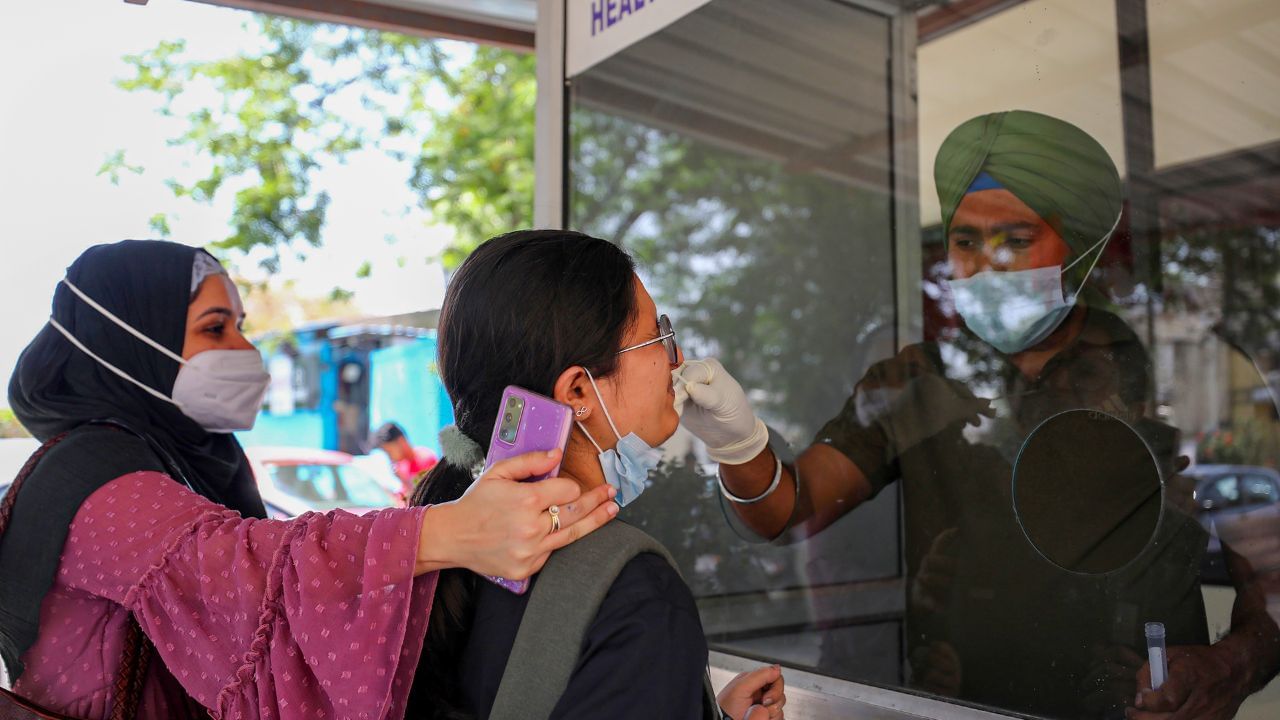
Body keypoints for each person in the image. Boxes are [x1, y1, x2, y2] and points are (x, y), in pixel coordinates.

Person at [676, 111, 1280, 719]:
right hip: (957, 704)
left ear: (1085, 248)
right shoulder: (916, 384)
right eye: (965, 242)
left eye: (1017, 240)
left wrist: (1231, 665)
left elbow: (1272, 570)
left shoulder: (1178, 363)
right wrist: (738, 447)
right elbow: (788, 508)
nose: (985, 266)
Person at [0, 240, 618, 719]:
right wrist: (445, 533)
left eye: (240, 326)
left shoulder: (177, 461)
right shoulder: (96, 474)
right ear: (127, 344)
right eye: (216, 328)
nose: (246, 350)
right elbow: (236, 570)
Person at [403, 230, 787, 720]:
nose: (678, 360)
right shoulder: (636, 595)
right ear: (579, 391)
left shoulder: (429, 555)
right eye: (659, 336)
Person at [372, 421, 439, 501]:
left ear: (401, 441)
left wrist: (405, 481)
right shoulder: (401, 466)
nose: (390, 457)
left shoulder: (426, 459)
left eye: (389, 452)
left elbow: (426, 497)